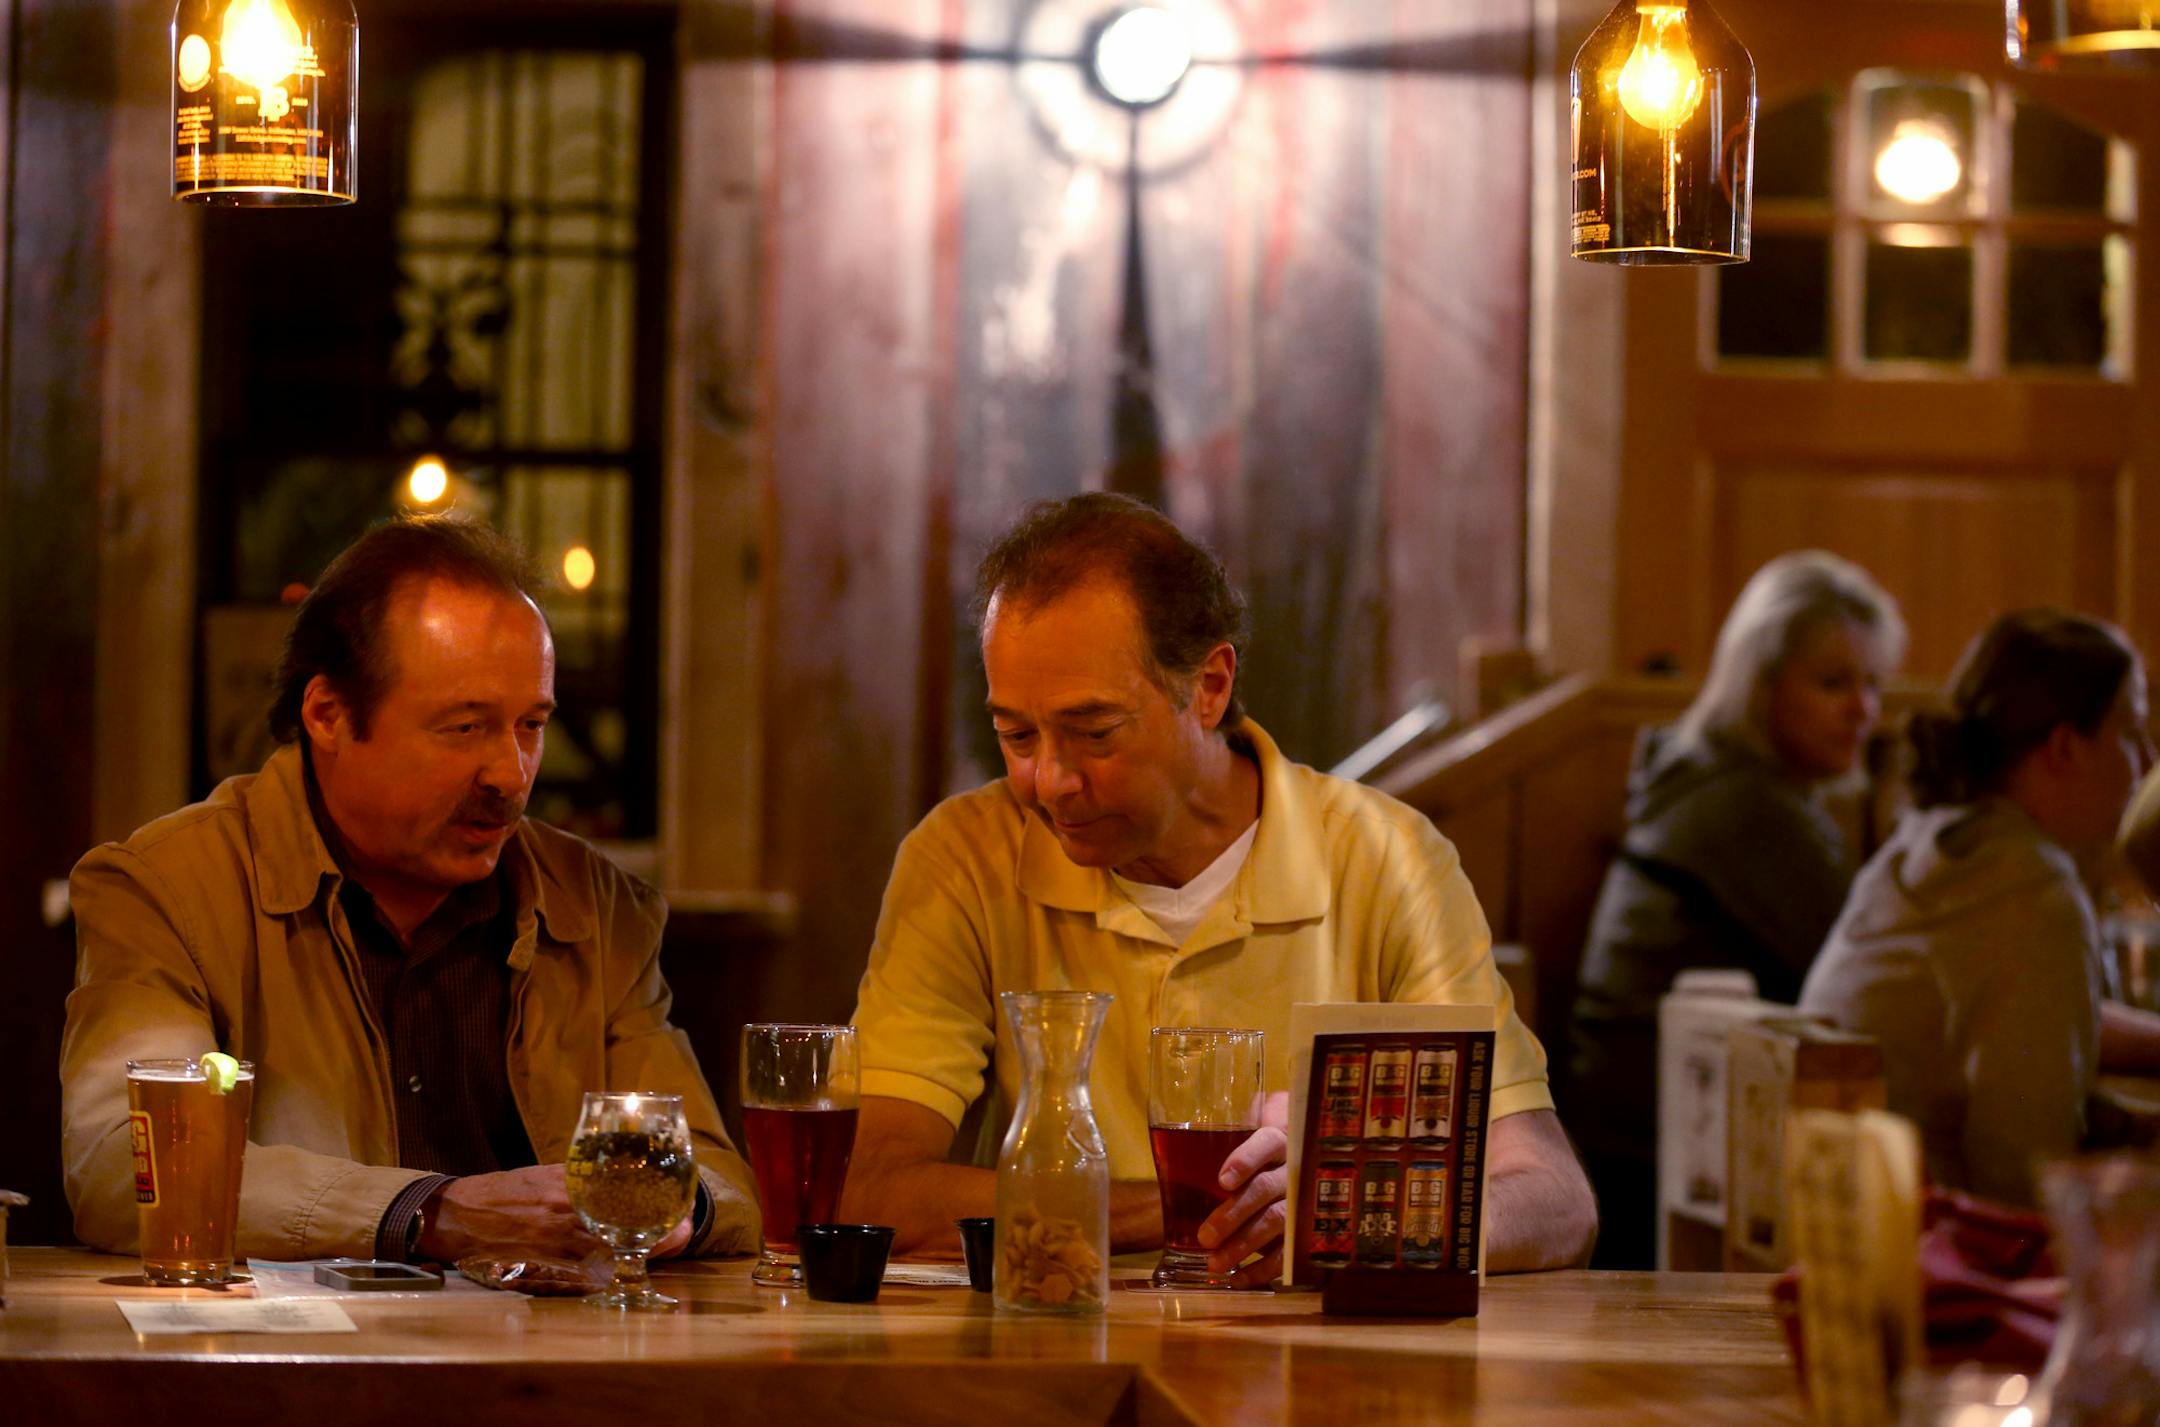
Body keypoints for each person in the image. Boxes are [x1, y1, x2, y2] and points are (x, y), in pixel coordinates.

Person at [837, 493, 1596, 1282]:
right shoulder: (965, 857)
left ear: (1209, 685)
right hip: (1056, 1360)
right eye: (1016, 735)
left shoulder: (1386, 858)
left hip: (1316, 1384)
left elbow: (1551, 1199)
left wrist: (1345, 1217)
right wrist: (1209, 1211)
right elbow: (871, 1190)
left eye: (1095, 732)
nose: (1049, 780)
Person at [61, 516, 760, 1264]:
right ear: (327, 715)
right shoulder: (169, 888)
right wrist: (433, 1213)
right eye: (464, 728)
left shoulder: (596, 906)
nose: (510, 773)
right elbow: (127, 1169)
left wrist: (670, 1210)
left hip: (556, 1366)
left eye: (531, 724)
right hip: (298, 1370)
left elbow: (723, 1185)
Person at [1567, 550, 1905, 1267]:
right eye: (1833, 682)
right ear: (1761, 683)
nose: (1864, 709)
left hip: (1648, 1144)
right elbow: (1876, 983)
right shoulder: (1747, 808)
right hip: (1647, 1173)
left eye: (1875, 684)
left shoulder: (1722, 779)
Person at [1800, 610, 2160, 1207]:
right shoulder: (2033, 898)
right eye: (2132, 733)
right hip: (1938, 1256)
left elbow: (2048, 1027)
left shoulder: (1939, 842)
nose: (2147, 765)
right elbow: (2027, 1175)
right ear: (2066, 748)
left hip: (1854, 1224)